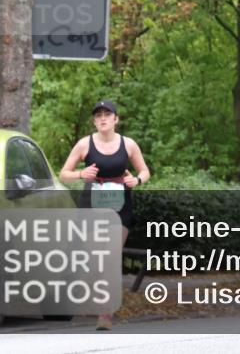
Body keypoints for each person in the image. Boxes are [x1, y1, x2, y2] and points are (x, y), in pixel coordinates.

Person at [60, 99, 150, 330]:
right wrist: (81, 174)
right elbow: (63, 174)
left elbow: (144, 171)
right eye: (98, 115)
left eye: (107, 114)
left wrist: (137, 180)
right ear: (94, 121)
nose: (102, 119)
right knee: (96, 260)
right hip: (92, 205)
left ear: (115, 119)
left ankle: (105, 314)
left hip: (120, 207)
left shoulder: (128, 144)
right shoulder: (84, 144)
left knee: (110, 257)